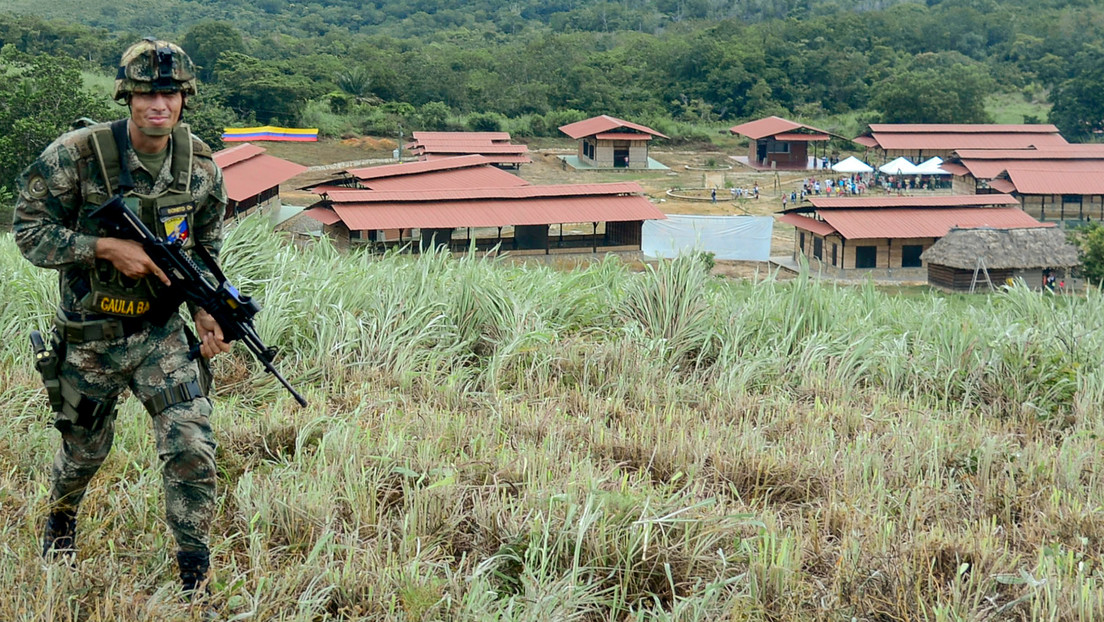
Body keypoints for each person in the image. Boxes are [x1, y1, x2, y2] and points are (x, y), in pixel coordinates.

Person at [13, 38, 231, 597]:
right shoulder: (77, 155)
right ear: (127, 96)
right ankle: (61, 517)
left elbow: (204, 248)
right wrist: (106, 249)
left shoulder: (200, 164)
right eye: (146, 93)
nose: (159, 105)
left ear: (185, 98)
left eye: (171, 94)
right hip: (91, 336)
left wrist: (208, 310)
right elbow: (30, 234)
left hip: (161, 337)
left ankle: (193, 570)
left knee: (190, 444)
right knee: (84, 451)